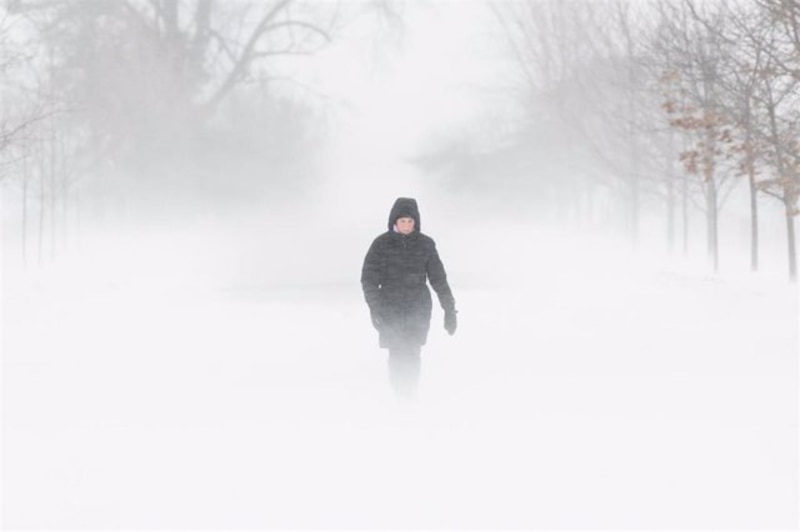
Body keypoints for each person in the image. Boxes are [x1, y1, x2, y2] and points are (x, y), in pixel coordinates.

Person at [361, 197, 457, 396]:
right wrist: (375, 307)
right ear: (394, 222)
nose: (406, 225)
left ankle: (409, 394)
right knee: (396, 352)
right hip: (389, 307)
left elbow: (439, 279)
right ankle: (399, 395)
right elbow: (369, 279)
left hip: (418, 308)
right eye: (402, 221)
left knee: (413, 352)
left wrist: (449, 309)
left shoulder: (426, 245)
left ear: (416, 222)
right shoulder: (381, 244)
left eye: (410, 221)